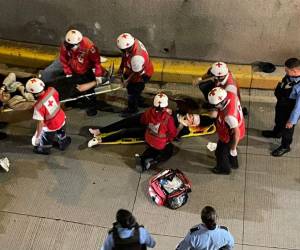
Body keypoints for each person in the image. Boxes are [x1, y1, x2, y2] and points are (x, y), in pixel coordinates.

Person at [40, 29, 108, 116]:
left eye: (71, 46)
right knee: (72, 88)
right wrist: (68, 72)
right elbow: (63, 59)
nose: (68, 47)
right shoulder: (66, 45)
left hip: (87, 71)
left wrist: (98, 74)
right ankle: (73, 101)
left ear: (78, 43)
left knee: (89, 92)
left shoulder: (89, 47)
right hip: (73, 70)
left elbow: (96, 62)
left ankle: (92, 107)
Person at [262, 58, 300, 157]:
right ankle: (277, 132)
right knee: (278, 119)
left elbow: (298, 107)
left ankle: (285, 146)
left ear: (295, 71)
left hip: (291, 108)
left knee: (287, 129)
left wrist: (291, 121)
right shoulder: (290, 76)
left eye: (287, 70)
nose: (285, 71)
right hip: (282, 103)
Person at [25, 78, 71, 155]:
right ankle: (64, 143)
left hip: (50, 126)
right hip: (61, 118)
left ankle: (44, 149)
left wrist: (37, 136)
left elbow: (40, 123)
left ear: (33, 94)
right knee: (61, 131)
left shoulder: (38, 107)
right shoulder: (52, 90)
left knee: (46, 139)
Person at [135, 93, 177, 172]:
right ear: (166, 105)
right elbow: (173, 133)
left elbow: (142, 121)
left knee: (152, 148)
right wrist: (169, 140)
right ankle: (153, 162)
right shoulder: (168, 118)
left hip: (148, 138)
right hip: (160, 143)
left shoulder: (148, 112)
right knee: (168, 151)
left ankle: (142, 158)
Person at [208, 87, 245, 175]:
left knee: (220, 153)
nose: (214, 107)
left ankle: (224, 169)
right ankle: (233, 163)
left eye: (215, 105)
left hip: (228, 137)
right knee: (230, 152)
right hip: (239, 126)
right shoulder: (231, 95)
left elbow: (236, 134)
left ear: (220, 103)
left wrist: (233, 147)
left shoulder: (228, 116)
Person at [116, 33, 154, 117]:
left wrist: (126, 81)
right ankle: (139, 99)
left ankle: (132, 109)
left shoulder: (137, 58)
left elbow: (136, 73)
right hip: (139, 68)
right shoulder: (133, 41)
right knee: (136, 90)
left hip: (141, 75)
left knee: (132, 92)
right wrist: (121, 67)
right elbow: (124, 56)